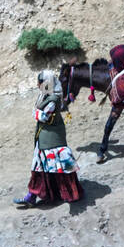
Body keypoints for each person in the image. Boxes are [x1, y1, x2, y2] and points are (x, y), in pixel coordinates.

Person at [14, 69, 85, 207]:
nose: (37, 85)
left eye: (40, 82)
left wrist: (35, 113)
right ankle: (33, 196)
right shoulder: (46, 95)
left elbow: (44, 117)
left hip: (52, 139)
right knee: (42, 167)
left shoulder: (52, 99)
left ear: (47, 83)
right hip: (45, 137)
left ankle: (37, 196)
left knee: (50, 167)